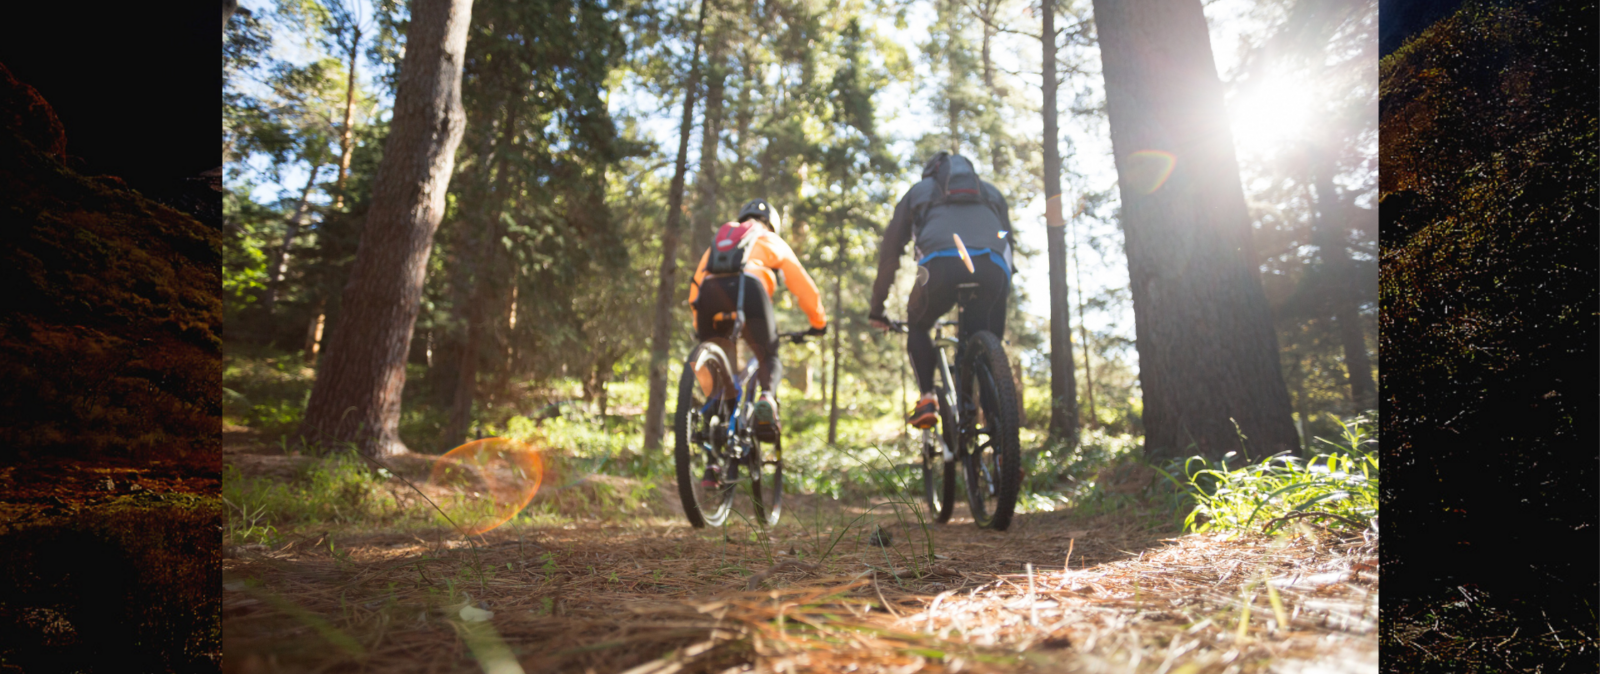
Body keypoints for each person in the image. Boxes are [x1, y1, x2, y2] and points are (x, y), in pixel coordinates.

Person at [868, 152, 1013, 429]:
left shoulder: (919, 192)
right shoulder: (991, 192)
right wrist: (1003, 279)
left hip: (938, 267)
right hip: (992, 267)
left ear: (930, 173)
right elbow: (1007, 237)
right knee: (985, 343)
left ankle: (927, 398)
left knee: (919, 323)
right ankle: (1003, 438)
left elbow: (890, 251)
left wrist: (878, 307)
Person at [689, 198, 827, 445]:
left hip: (710, 294)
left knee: (723, 375)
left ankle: (711, 455)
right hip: (751, 290)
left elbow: (698, 282)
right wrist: (818, 323)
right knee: (768, 355)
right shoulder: (769, 237)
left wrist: (698, 323)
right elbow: (801, 283)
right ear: (771, 223)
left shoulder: (723, 238)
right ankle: (766, 399)